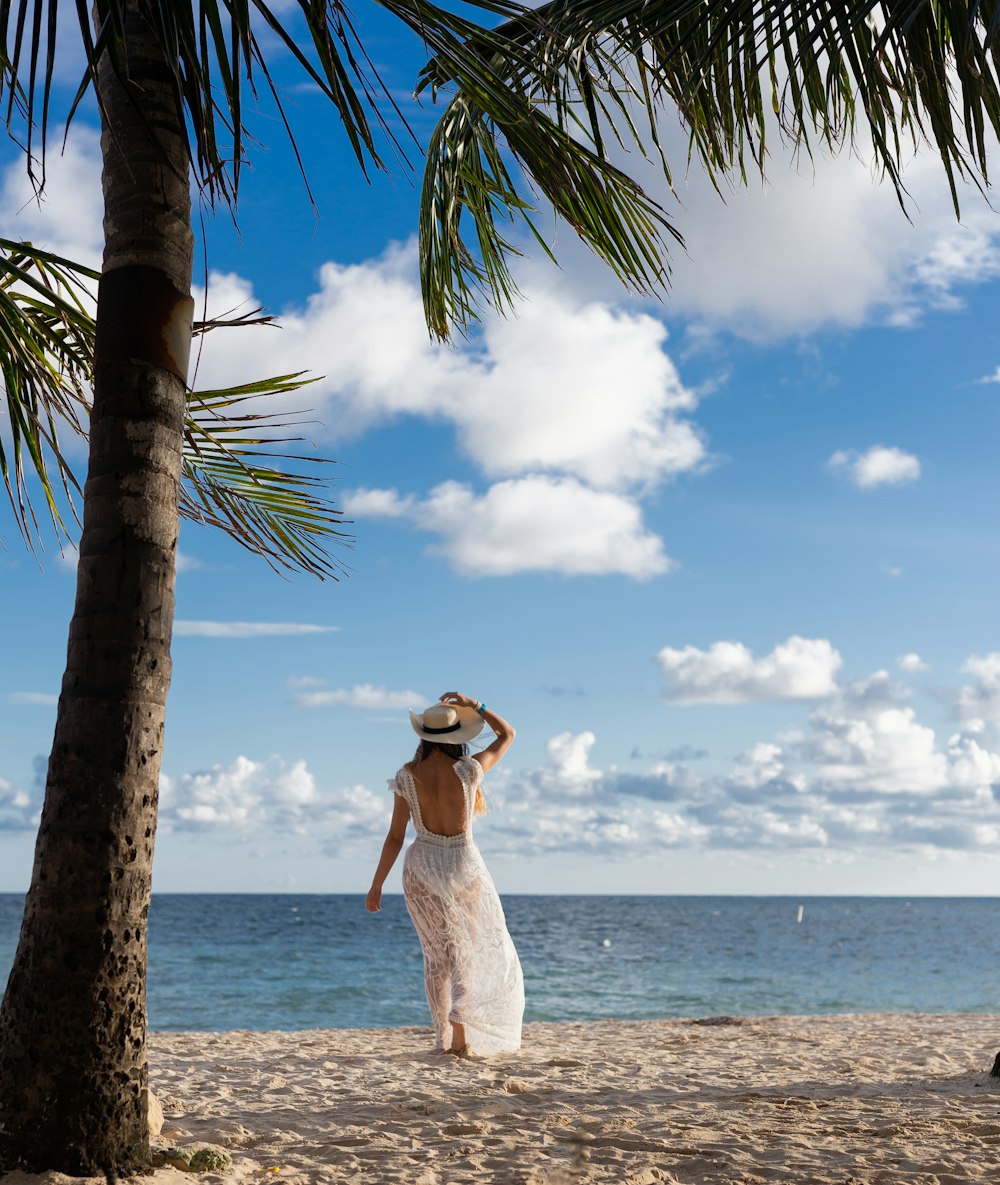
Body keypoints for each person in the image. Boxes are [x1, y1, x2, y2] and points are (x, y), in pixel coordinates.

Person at [366, 691, 524, 1057]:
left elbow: (394, 836)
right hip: (461, 863)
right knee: (464, 952)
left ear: (424, 735)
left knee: (437, 957)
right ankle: (460, 1036)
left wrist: (377, 884)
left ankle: (441, 1039)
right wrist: (476, 705)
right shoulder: (469, 771)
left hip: (421, 865)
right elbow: (508, 735)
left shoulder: (406, 776)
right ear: (457, 737)